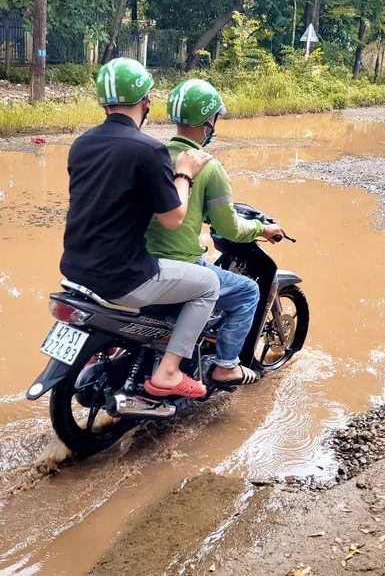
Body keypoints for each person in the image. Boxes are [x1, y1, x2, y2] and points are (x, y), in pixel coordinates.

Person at [61, 59, 219, 399]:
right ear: (146, 101)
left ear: (104, 102)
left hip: (74, 271)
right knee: (209, 284)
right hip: (122, 277)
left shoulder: (82, 144)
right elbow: (173, 218)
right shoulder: (148, 150)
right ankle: (168, 372)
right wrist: (184, 173)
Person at [146, 79, 286, 386]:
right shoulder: (209, 167)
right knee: (248, 292)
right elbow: (229, 228)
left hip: (140, 262)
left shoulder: (153, 155)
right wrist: (263, 229)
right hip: (179, 263)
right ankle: (226, 365)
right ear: (209, 122)